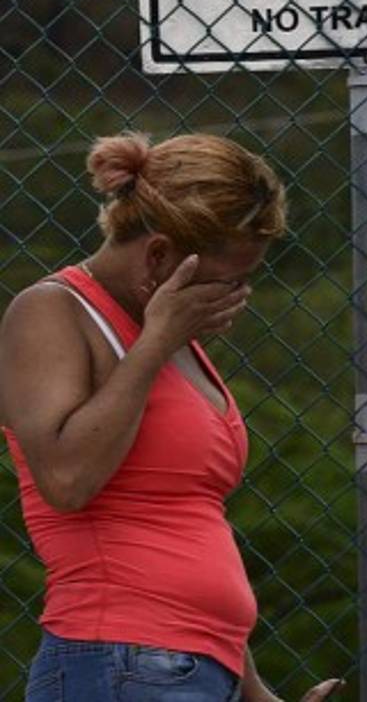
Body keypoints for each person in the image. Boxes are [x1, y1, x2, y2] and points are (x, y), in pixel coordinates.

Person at [0, 132, 343, 702]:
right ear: (159, 256)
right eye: (226, 280)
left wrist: (257, 694)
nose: (239, 294)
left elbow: (184, 526)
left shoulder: (169, 337)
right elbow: (66, 479)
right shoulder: (52, 311)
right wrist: (156, 342)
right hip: (118, 659)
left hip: (188, 667)